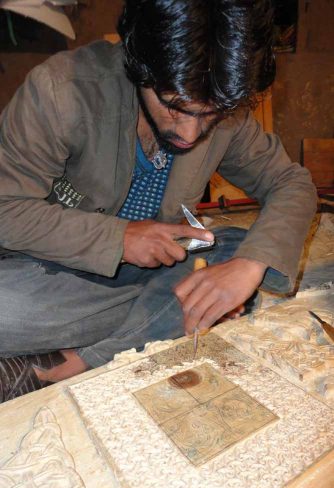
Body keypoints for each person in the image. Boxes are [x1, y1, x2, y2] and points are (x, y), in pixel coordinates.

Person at [0, 0, 317, 402]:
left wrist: (249, 267)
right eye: (174, 106)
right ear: (139, 65)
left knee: (233, 248)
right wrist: (121, 238)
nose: (190, 133)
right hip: (53, 270)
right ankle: (169, 318)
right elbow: (5, 208)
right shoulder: (60, 92)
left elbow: (291, 183)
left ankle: (95, 351)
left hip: (149, 274)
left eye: (211, 116)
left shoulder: (220, 111)